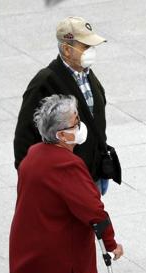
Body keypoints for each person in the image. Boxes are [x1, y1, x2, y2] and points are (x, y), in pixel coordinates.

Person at [9, 95, 125, 273]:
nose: (80, 125)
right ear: (62, 134)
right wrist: (111, 243)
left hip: (27, 250)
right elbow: (92, 209)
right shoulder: (66, 165)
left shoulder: (33, 155)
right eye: (75, 122)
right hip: (59, 257)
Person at [13, 16, 120, 195]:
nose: (91, 51)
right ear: (66, 49)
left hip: (92, 175)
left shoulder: (87, 75)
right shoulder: (44, 82)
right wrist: (31, 180)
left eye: (91, 46)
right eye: (85, 46)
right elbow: (24, 137)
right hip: (64, 180)